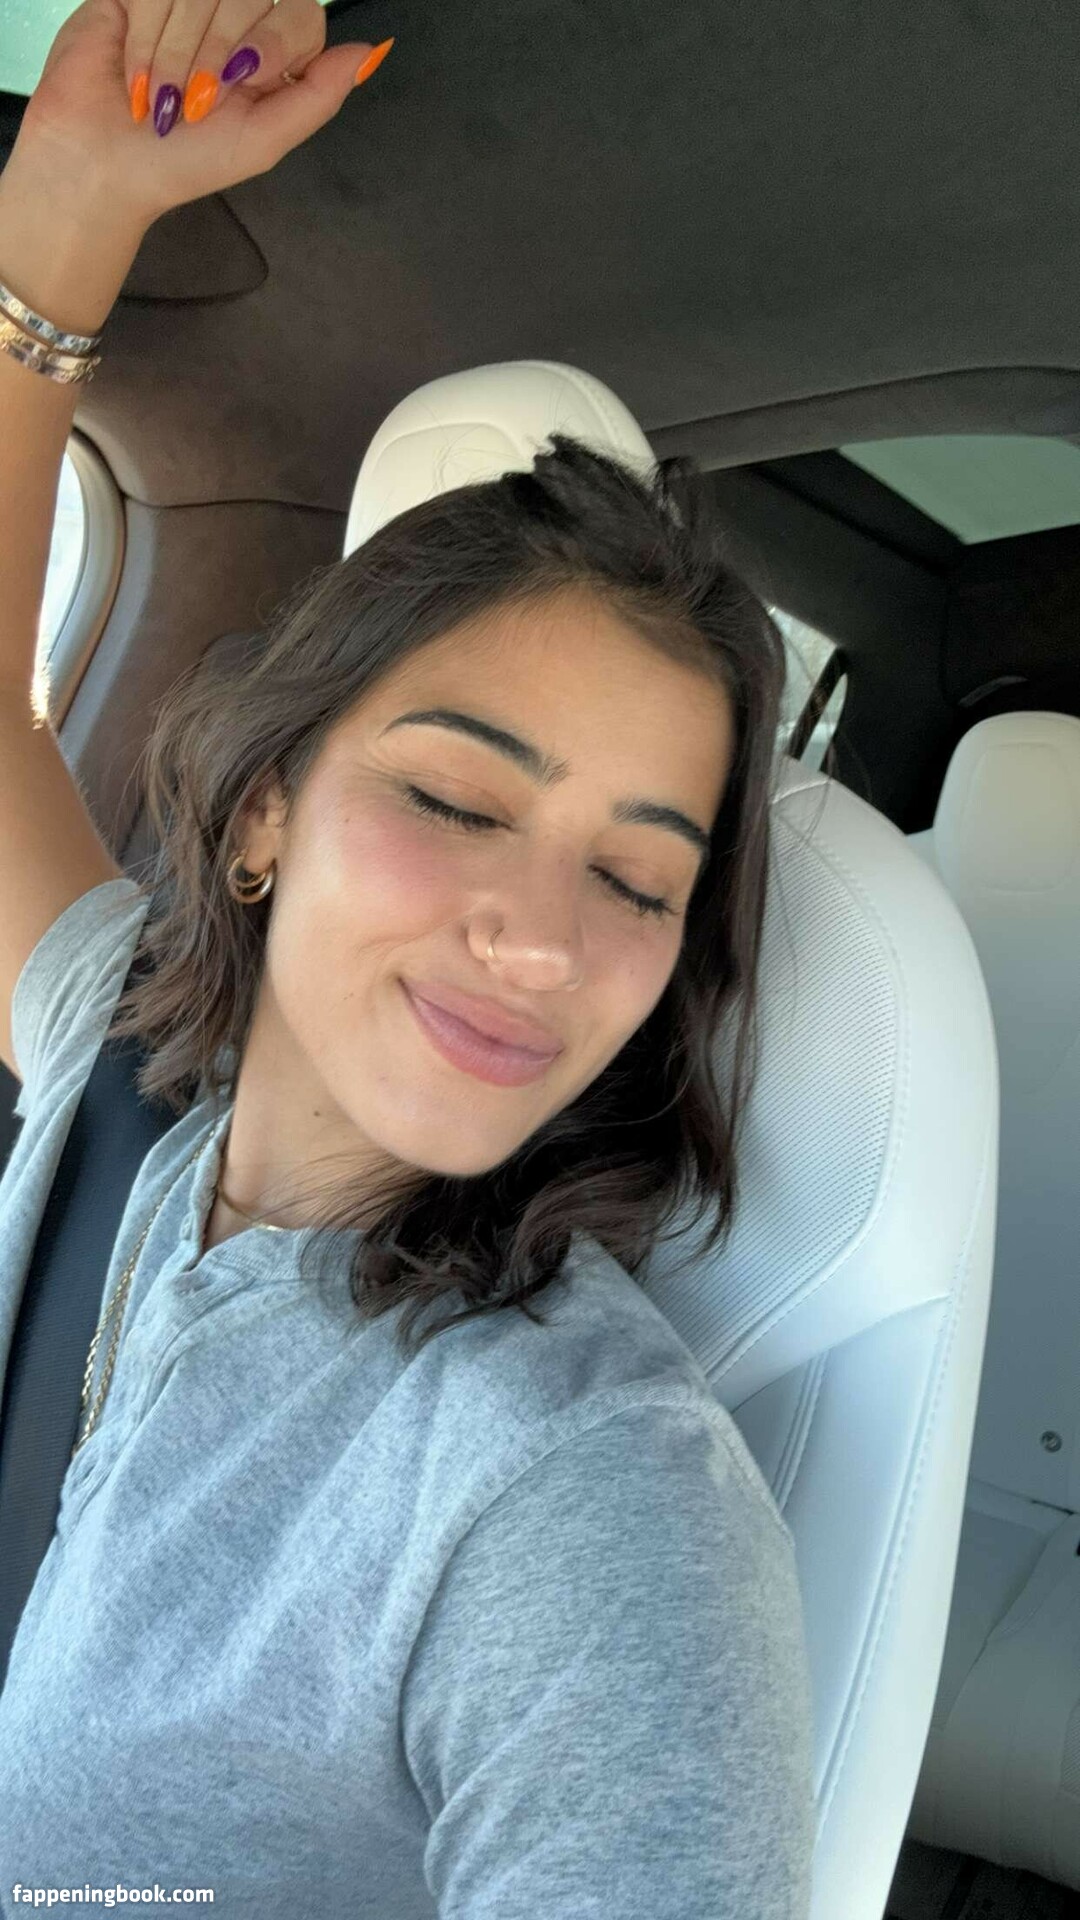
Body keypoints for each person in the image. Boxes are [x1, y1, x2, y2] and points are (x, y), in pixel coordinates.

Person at [0, 3, 816, 1914]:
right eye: (455, 799)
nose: (538, 936)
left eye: (639, 880)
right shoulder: (121, 1059)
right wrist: (64, 212)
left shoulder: (586, 1482)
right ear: (262, 815)